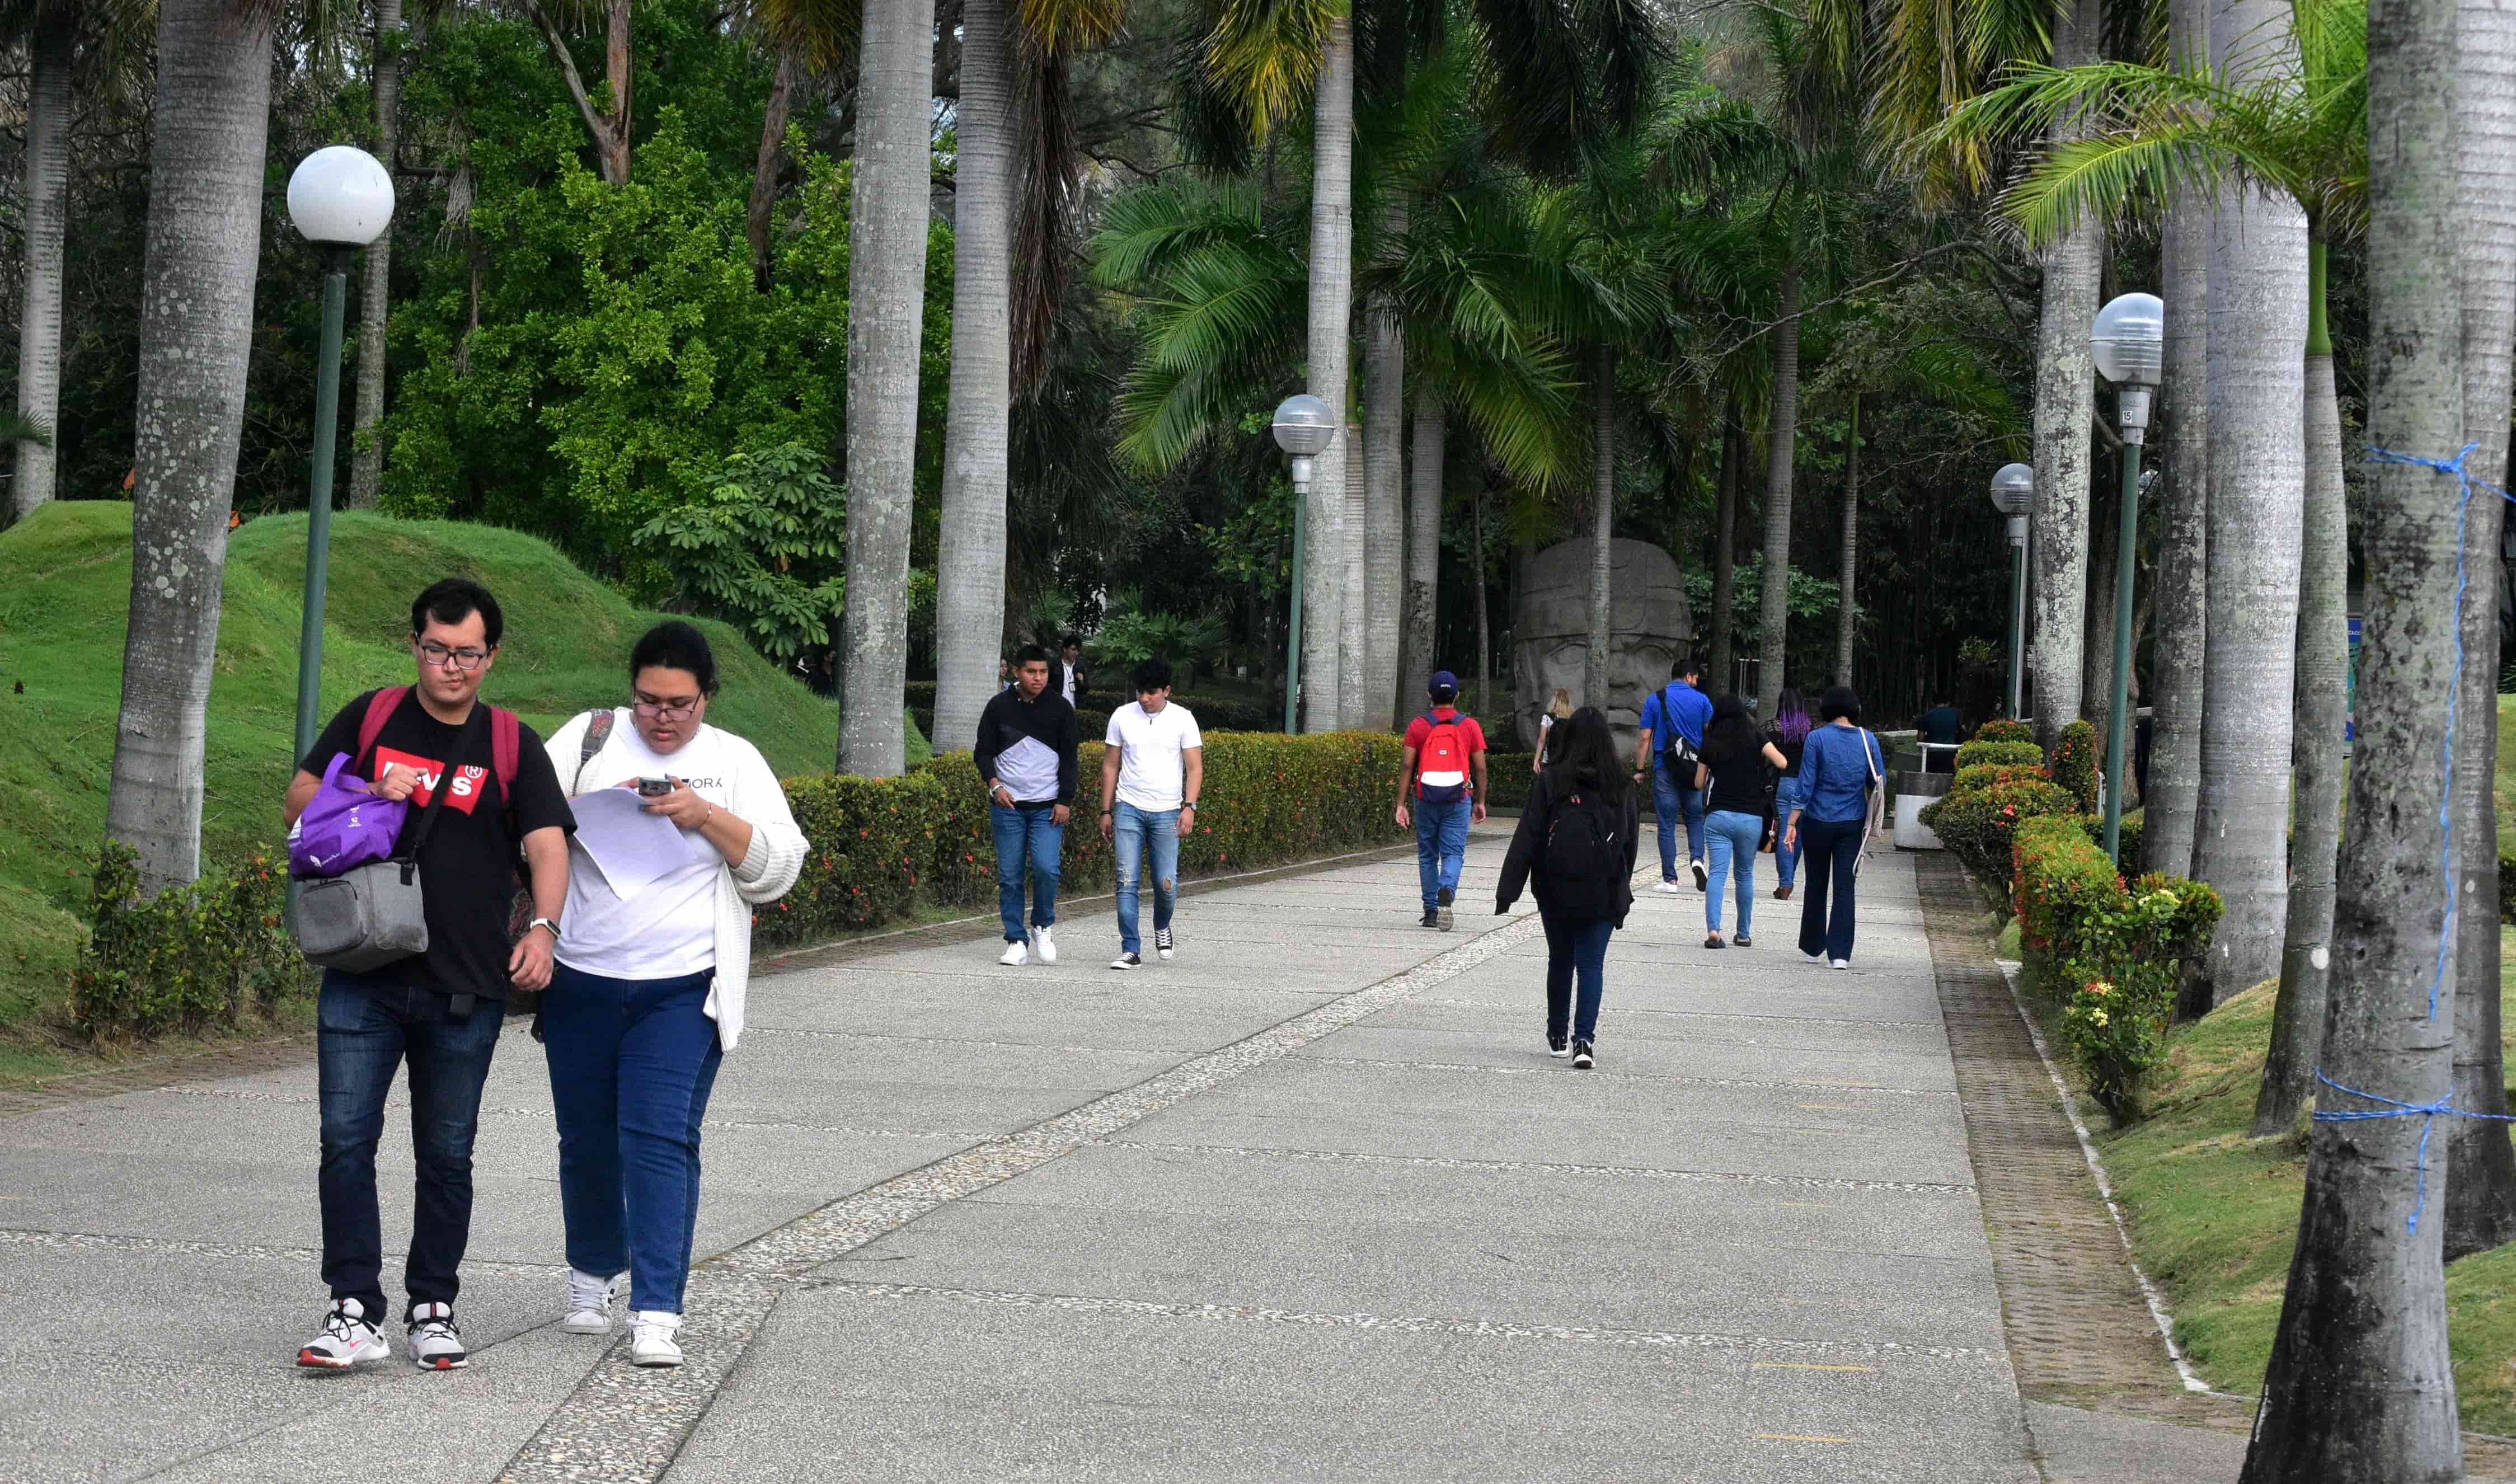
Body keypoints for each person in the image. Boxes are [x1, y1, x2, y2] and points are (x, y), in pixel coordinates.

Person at [284, 579, 576, 1372]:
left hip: (465, 985)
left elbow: (550, 845)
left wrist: (544, 931)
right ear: (414, 645)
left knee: (447, 1152)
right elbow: (299, 801)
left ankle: (432, 1306)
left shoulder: (512, 742)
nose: (453, 667)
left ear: (492, 656)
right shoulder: (374, 717)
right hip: (362, 971)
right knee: (346, 1141)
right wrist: (367, 786)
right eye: (439, 649)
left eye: (469, 654)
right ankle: (353, 1310)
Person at [538, 622, 809, 1368]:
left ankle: (658, 1308)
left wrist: (704, 815)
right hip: (585, 977)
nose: (663, 717)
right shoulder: (589, 738)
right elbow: (526, 818)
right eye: (649, 701)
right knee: (586, 1139)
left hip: (684, 988)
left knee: (657, 1138)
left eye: (680, 704)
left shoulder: (733, 760)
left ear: (706, 699)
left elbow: (780, 867)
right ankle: (592, 1273)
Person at [1497, 707, 1639, 1070]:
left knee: (1561, 959)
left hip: (1555, 885)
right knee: (1591, 964)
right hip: (1603, 887)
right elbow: (1629, 841)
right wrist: (1621, 881)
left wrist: (1509, 889)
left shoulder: (1551, 779)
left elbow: (1528, 835)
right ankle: (1584, 1041)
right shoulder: (1620, 784)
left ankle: (1557, 1034)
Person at [1098, 658, 1205, 969]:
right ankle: (1130, 948)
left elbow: (1195, 768)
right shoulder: (1122, 716)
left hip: (1167, 811)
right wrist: (1106, 810)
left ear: (1167, 691)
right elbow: (1110, 765)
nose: (1144, 698)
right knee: (1126, 880)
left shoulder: (1183, 719)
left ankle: (1162, 924)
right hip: (1128, 807)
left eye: (1152, 692)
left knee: (1166, 882)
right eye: (1140, 692)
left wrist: (1189, 808)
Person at [977, 644, 1080, 965]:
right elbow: (982, 753)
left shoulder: (1062, 709)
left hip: (1048, 807)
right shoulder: (998, 707)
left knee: (1047, 869)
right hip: (1008, 806)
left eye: (1044, 672)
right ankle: (1015, 940)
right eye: (1031, 672)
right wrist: (995, 787)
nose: (1038, 678)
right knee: (1010, 875)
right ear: (1016, 673)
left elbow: (1070, 759)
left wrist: (1065, 800)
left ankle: (1042, 925)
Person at [1785, 685, 1887, 969]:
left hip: (1816, 821)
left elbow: (1806, 784)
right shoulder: (1868, 740)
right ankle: (1840, 954)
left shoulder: (1816, 738)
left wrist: (1792, 822)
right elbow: (1879, 782)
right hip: (1852, 824)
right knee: (1845, 887)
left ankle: (1812, 946)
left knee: (1815, 884)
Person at [1395, 670, 1489, 930]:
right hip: (1459, 798)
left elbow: (1407, 766)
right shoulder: (1469, 726)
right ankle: (1446, 888)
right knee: (1453, 853)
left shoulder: (1418, 726)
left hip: (1426, 798)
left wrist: (1401, 804)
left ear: (1429, 695)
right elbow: (1480, 768)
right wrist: (1480, 801)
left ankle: (1431, 911)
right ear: (1457, 696)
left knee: (1427, 855)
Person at [1696, 696, 1791, 949]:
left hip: (1718, 816)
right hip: (1751, 816)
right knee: (1745, 874)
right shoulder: (1755, 736)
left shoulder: (1711, 741)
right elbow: (1782, 762)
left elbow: (1698, 783)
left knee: (1717, 872)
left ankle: (1714, 932)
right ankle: (1744, 934)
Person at [1636, 658, 1714, 894]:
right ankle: (1698, 859)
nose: (1697, 681)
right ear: (1689, 676)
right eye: (1696, 677)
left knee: (1667, 823)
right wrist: (1709, 766)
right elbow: (1711, 736)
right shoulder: (1702, 701)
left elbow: (1645, 739)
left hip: (1665, 767)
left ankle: (1670, 880)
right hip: (1694, 770)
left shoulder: (1655, 699)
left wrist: (1639, 769)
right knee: (1695, 818)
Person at [1767, 687, 1813, 901]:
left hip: (1785, 784)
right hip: (1807, 786)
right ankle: (1788, 880)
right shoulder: (1812, 730)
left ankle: (1785, 884)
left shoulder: (1773, 728)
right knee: (1798, 835)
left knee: (1785, 833)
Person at [1533, 687, 1574, 773]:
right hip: (1568, 762)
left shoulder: (1547, 717)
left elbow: (1542, 740)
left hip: (1549, 760)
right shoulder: (1573, 718)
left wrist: (1536, 760)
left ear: (1554, 701)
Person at [1057, 636, 1088, 707]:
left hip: (1075, 708)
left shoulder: (1080, 667)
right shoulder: (1055, 666)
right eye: (1073, 650)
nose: (1076, 653)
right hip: (1057, 708)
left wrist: (1082, 681)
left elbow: (1086, 689)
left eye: (1078, 650)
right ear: (1065, 649)